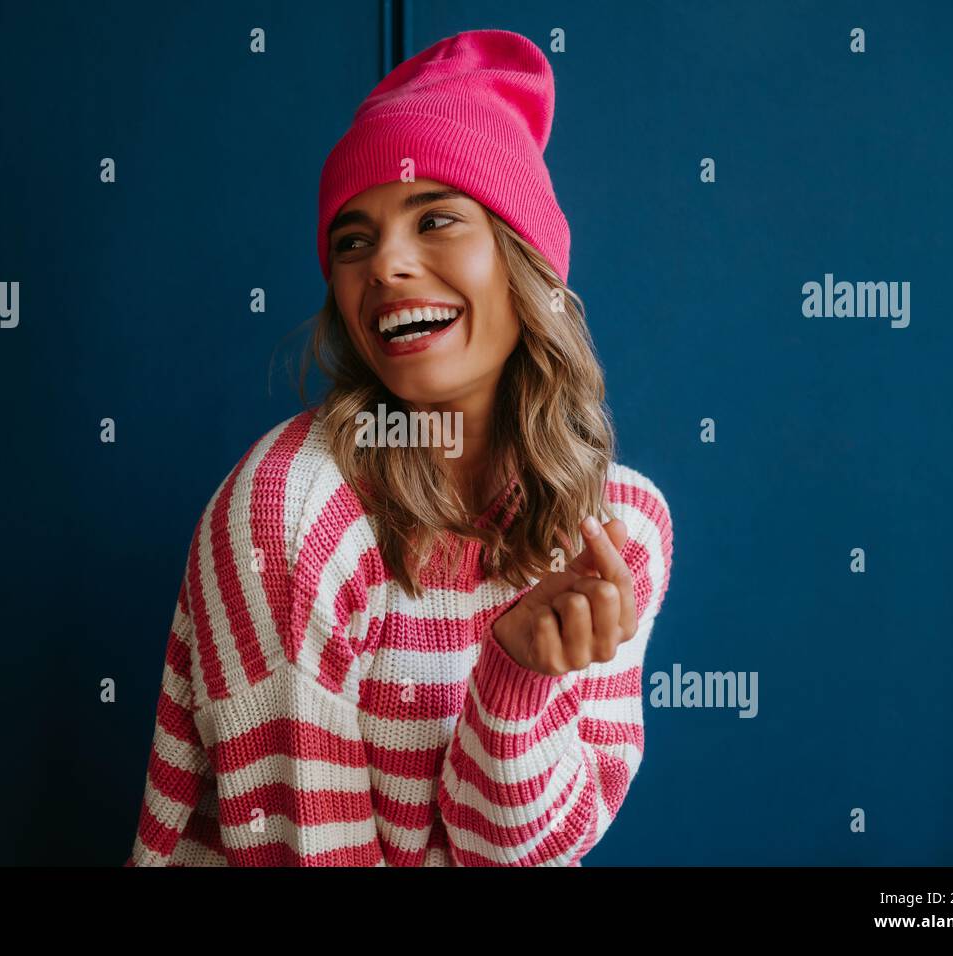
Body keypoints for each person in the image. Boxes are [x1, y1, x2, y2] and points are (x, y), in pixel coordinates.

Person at [124, 28, 673, 867]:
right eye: (353, 240)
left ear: (526, 264)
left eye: (437, 219)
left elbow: (522, 855)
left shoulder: (622, 529)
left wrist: (515, 681)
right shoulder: (291, 516)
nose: (385, 265)